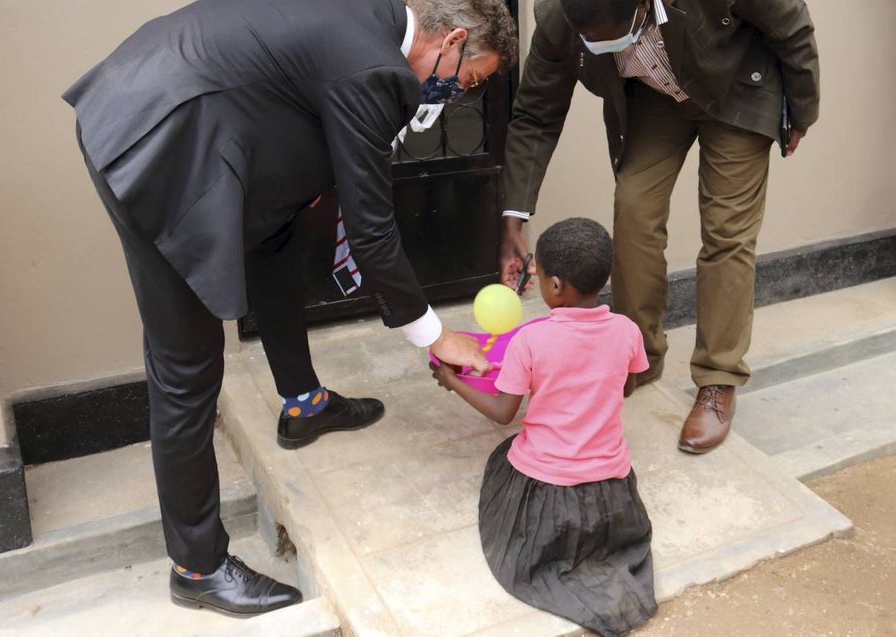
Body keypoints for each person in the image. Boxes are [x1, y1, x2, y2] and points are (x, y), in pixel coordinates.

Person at [63, 0, 518, 617]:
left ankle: (302, 404)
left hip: (193, 117)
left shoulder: (372, 22)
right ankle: (196, 566)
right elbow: (372, 228)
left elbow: (296, 96)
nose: (457, 93)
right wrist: (434, 335)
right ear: (453, 40)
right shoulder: (373, 66)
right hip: (157, 139)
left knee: (275, 237)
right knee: (187, 368)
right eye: (467, 79)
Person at [497, 0, 820, 454]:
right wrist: (515, 220)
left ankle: (718, 379)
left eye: (618, 32)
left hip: (737, 87)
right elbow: (536, 114)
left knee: (727, 232)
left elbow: (791, 22)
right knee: (633, 211)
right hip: (654, 98)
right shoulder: (559, 14)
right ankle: (639, 355)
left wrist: (801, 110)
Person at [433, 218, 656, 637]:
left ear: (555, 286)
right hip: (611, 487)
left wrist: (453, 380)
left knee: (505, 458)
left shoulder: (531, 342)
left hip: (546, 492)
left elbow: (503, 412)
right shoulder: (627, 331)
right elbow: (626, 385)